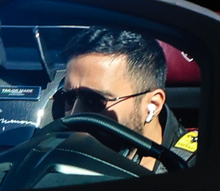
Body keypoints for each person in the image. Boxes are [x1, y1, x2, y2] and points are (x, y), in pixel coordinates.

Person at [56, 29, 196, 170]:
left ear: (152, 105)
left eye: (94, 100)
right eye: (69, 98)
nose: (75, 113)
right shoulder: (53, 151)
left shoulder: (194, 169)